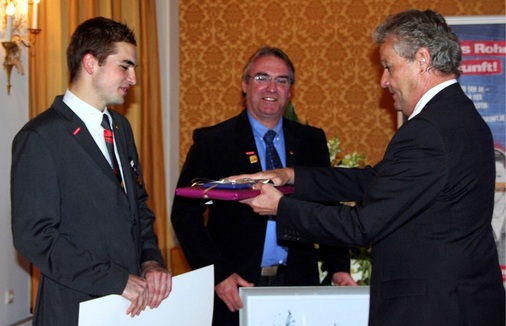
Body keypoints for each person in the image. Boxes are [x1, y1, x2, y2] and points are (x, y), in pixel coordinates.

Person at [237, 10, 505, 326]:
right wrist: (291, 175)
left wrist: (279, 206)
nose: (384, 80)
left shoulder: (429, 129)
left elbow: (361, 226)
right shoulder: (458, 116)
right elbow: (376, 180)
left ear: (422, 59)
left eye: (389, 67)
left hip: (434, 309)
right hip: (461, 301)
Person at [171, 46, 356, 326]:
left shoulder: (311, 141)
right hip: (236, 285)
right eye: (261, 78)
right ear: (244, 84)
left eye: (282, 80)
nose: (271, 87)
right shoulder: (213, 142)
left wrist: (338, 269)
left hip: (298, 283)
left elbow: (327, 207)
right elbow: (184, 215)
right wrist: (218, 274)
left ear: (290, 90)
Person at [11, 17, 171, 325]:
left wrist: (150, 261)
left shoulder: (120, 127)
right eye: (124, 66)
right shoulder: (41, 137)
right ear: (90, 63)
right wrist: (115, 280)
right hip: (74, 308)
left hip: (130, 308)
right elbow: (35, 236)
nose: (133, 78)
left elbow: (137, 207)